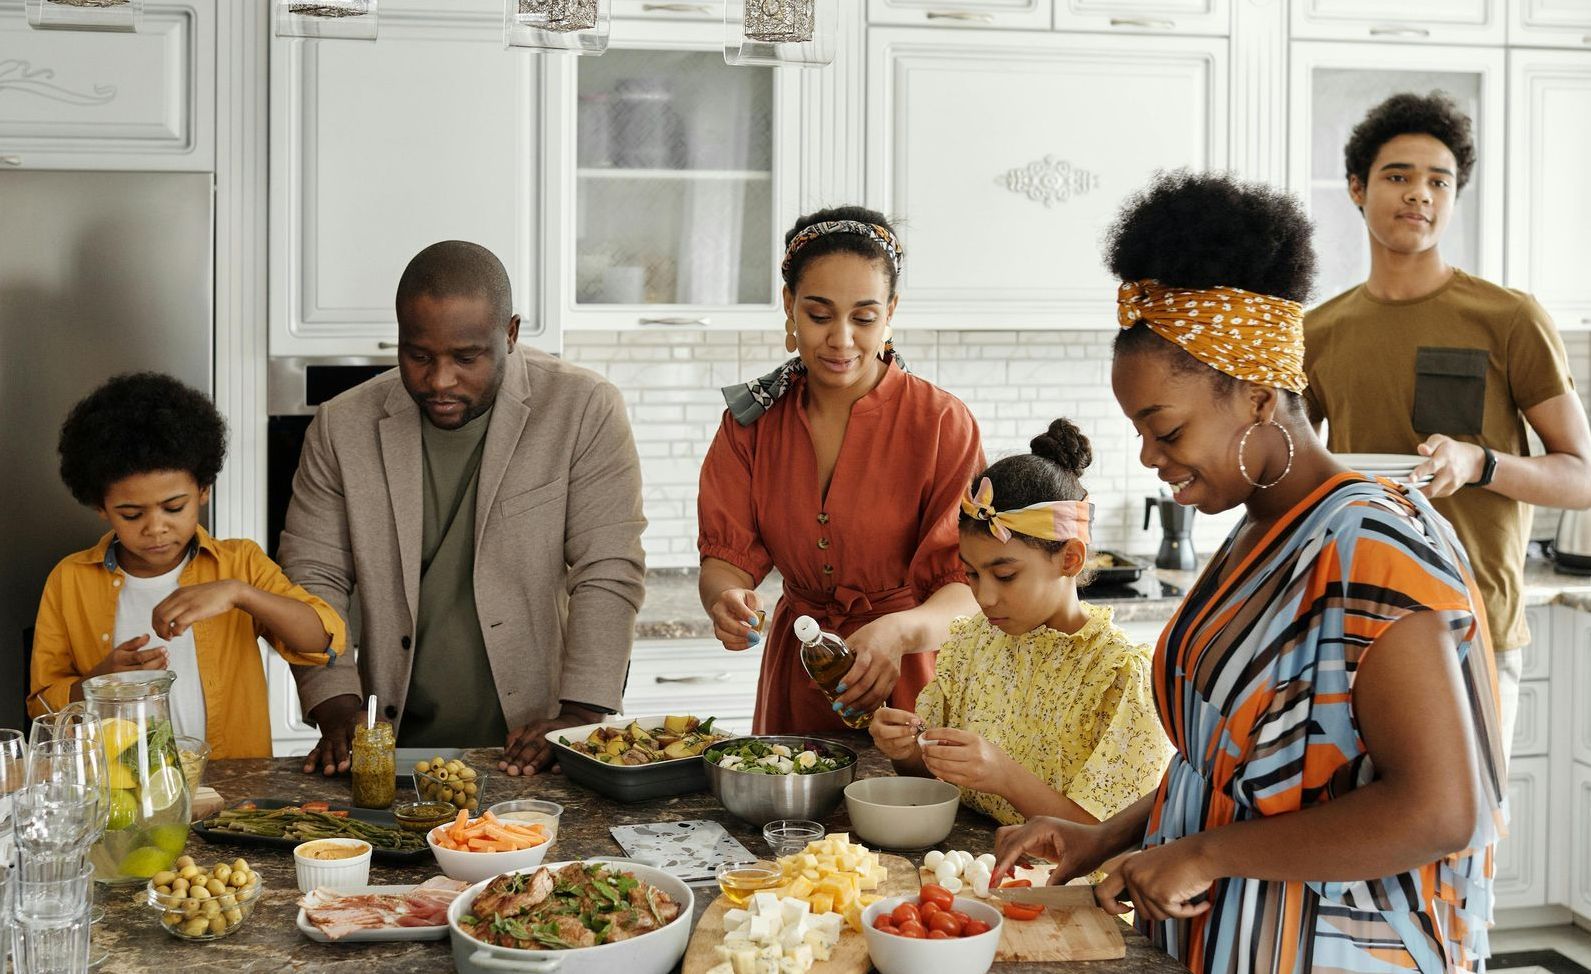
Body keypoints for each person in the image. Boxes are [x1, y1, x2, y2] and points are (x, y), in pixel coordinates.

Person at [993, 172, 1505, 973]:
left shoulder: (1371, 549)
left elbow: (1440, 810)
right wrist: (1109, 836)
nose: (1148, 456)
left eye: (1163, 427)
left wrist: (1207, 856)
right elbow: (1231, 769)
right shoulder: (1257, 530)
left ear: (1260, 398)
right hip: (1223, 942)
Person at [280, 240, 646, 776]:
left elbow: (608, 568)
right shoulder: (342, 426)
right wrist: (335, 704)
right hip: (394, 748)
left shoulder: (583, 409)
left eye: (466, 358)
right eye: (419, 355)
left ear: (511, 334)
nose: (439, 381)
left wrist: (582, 715)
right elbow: (312, 575)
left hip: (535, 744)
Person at [1304, 91, 1591, 757]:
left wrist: (1477, 463)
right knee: (1353, 846)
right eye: (1397, 176)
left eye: (1438, 180)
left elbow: (1580, 476)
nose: (1419, 195)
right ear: (1356, 188)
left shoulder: (1507, 317)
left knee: (1462, 846)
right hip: (1353, 624)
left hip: (1471, 626)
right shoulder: (1317, 331)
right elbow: (1284, 467)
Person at [697, 206, 984, 734]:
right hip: (797, 673)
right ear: (789, 306)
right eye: (820, 314)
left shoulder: (942, 424)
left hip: (913, 679)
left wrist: (897, 634)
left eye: (864, 317)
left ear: (891, 311)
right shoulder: (750, 425)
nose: (842, 339)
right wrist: (726, 601)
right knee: (790, 815)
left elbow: (967, 588)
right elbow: (726, 558)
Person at [868, 419, 1171, 830]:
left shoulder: (1118, 676)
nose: (984, 597)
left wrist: (1005, 776)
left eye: (1005, 575)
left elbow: (1108, 840)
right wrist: (905, 751)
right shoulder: (972, 642)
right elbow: (934, 777)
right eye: (972, 574)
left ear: (1070, 559)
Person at [29, 373, 345, 759]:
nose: (156, 528)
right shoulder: (69, 580)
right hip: (118, 790)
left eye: (174, 507)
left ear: (204, 489)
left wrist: (239, 593)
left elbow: (324, 642)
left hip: (232, 789)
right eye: (131, 514)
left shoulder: (239, 563)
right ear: (100, 507)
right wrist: (101, 683)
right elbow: (42, 708)